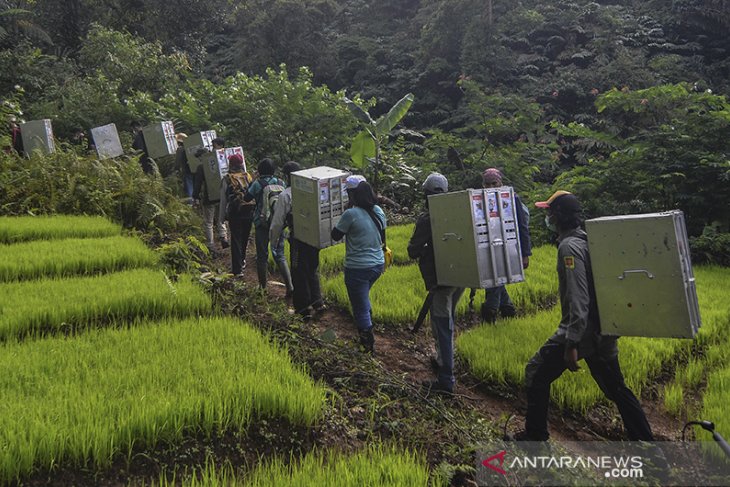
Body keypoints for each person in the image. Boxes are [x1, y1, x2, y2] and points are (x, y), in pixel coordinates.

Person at [511, 190, 654, 441]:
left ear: (557, 217)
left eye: (549, 213)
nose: (547, 217)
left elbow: (579, 298)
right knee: (617, 389)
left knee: (536, 372)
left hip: (584, 333)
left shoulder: (569, 248)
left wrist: (572, 343)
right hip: (603, 330)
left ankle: (535, 438)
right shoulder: (589, 241)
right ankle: (647, 446)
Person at [408, 173, 464, 394]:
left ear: (426, 194)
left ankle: (446, 379)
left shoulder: (426, 218)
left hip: (440, 281)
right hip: (460, 277)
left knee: (442, 325)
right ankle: (442, 359)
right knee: (448, 320)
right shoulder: (458, 212)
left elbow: (412, 250)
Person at [331, 181, 386, 354]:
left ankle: (367, 346)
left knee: (359, 307)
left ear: (353, 196)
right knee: (363, 296)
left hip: (358, 268)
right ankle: (368, 327)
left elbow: (335, 235)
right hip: (378, 264)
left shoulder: (351, 214)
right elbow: (382, 234)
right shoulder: (379, 211)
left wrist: (346, 211)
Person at [270, 161, 327, 320]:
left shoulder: (286, 194)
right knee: (311, 268)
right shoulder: (312, 191)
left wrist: (273, 241)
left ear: (287, 177)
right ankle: (318, 302)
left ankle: (303, 309)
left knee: (298, 271)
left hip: (298, 238)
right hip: (315, 237)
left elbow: (277, 222)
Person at [476, 168, 532, 323]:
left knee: (495, 278)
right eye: (487, 184)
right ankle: (507, 308)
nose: (491, 187)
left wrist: (525, 253)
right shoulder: (480, 201)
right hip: (489, 247)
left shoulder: (512, 199)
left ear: (501, 182)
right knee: (494, 276)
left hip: (508, 246)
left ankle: (490, 310)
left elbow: (522, 227)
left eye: (494, 183)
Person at [243, 158, 293, 294]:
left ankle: (263, 287)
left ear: (259, 171)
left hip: (262, 223)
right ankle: (290, 287)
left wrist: (250, 183)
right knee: (280, 255)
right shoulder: (281, 182)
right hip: (279, 223)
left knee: (262, 256)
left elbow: (246, 198)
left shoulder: (257, 184)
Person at [220, 153, 255, 275]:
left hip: (235, 212)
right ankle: (242, 260)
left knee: (236, 239)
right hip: (249, 211)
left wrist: (221, 218)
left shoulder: (227, 179)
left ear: (230, 164)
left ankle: (237, 269)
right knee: (245, 237)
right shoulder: (248, 176)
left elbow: (223, 201)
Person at [193, 137, 228, 253]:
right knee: (220, 218)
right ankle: (223, 236)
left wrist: (195, 197)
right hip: (221, 195)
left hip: (208, 197)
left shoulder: (201, 167)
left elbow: (198, 184)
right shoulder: (219, 162)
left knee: (208, 221)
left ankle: (210, 244)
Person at [174, 132, 194, 202]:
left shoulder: (180, 149)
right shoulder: (191, 147)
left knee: (189, 187)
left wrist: (176, 169)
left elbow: (177, 161)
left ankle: (191, 203)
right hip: (195, 169)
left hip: (187, 170)